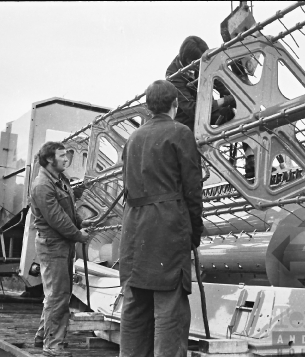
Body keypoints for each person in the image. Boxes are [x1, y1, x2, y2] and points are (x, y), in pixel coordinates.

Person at [119, 80, 204, 357]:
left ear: (147, 106)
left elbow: (128, 186)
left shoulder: (133, 138)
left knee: (134, 311)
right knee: (169, 314)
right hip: (168, 230)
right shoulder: (180, 133)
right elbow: (192, 189)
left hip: (134, 232)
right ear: (175, 105)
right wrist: (194, 232)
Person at [30, 141, 89, 357]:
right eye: (62, 155)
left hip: (61, 244)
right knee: (58, 295)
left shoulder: (59, 179)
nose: (66, 159)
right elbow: (56, 218)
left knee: (56, 294)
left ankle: (42, 337)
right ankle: (53, 345)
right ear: (49, 160)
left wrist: (81, 223)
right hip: (53, 244)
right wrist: (78, 234)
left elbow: (68, 209)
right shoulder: (42, 185)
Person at [166, 35, 236, 131]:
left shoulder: (203, 62)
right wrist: (226, 100)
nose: (206, 64)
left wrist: (236, 95)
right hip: (189, 122)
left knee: (242, 112)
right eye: (202, 62)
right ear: (190, 61)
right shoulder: (173, 77)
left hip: (209, 110)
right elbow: (194, 110)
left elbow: (221, 85)